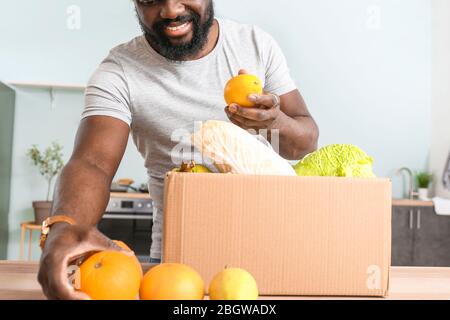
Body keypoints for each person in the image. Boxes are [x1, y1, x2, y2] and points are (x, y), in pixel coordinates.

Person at [38, 0, 319, 299]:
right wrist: (63, 226)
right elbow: (92, 162)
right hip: (175, 271)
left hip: (270, 258)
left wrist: (274, 121)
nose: (171, 10)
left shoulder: (255, 45)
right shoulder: (119, 71)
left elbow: (304, 143)